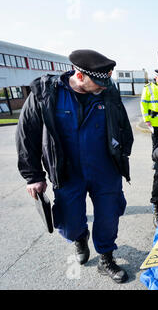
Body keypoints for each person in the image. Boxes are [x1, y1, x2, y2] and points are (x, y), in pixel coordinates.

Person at [16, 49, 134, 284]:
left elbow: (122, 125)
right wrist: (33, 176)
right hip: (67, 172)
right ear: (79, 76)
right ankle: (80, 237)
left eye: (105, 81)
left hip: (105, 169)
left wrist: (123, 153)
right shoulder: (45, 92)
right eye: (97, 82)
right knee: (69, 223)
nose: (103, 86)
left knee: (109, 215)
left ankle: (106, 257)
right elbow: (26, 134)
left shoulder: (107, 91)